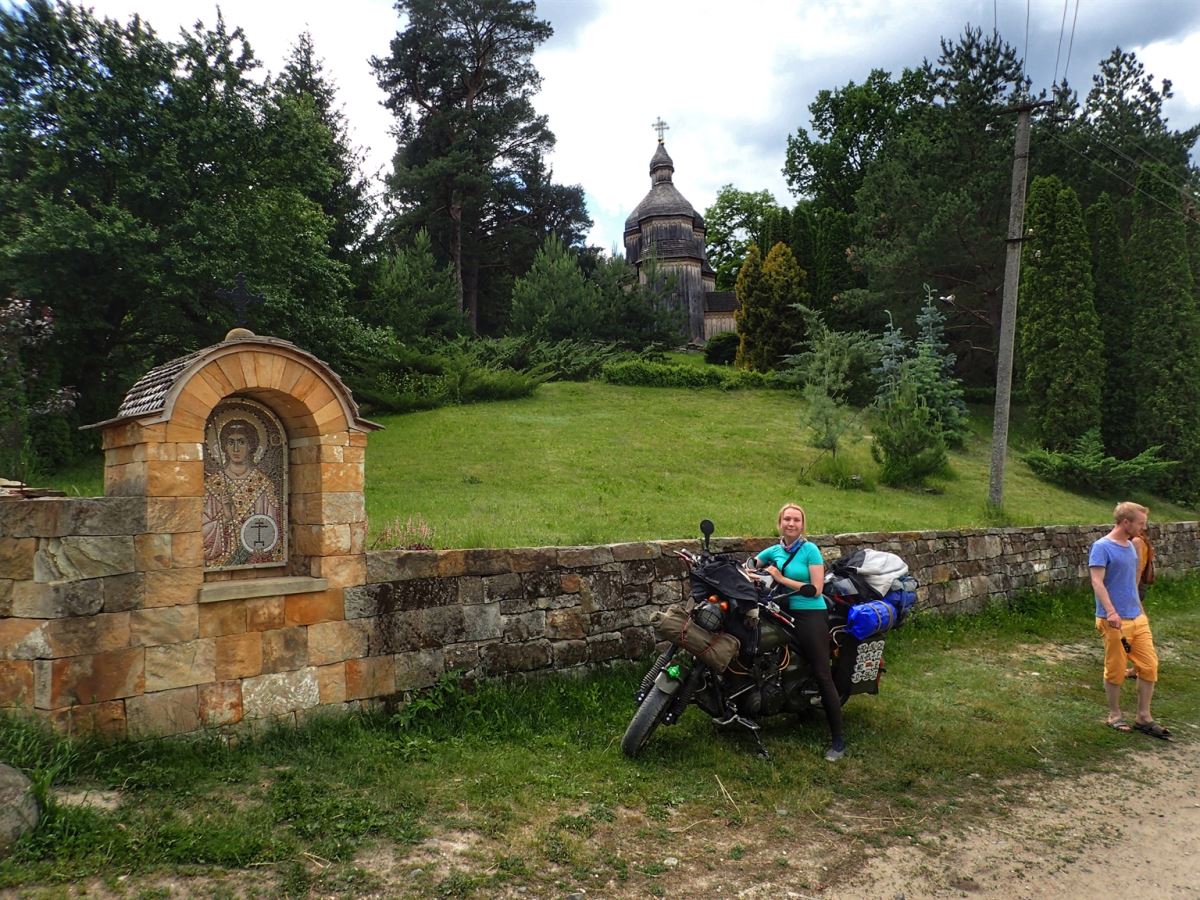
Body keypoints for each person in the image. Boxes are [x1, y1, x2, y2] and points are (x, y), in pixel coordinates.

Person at [755, 502, 845, 761]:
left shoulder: (810, 551)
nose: (791, 523)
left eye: (796, 520)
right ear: (779, 523)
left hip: (809, 612)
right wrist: (749, 570)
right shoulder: (775, 549)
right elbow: (753, 563)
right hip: (780, 610)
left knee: (821, 671)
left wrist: (781, 579)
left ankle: (838, 739)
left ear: (803, 525)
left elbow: (816, 588)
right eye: (787, 519)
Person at [1088, 501, 1171, 739]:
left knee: (1149, 666)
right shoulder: (1102, 547)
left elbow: (1131, 581)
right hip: (1116, 623)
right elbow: (1097, 582)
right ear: (1126, 522)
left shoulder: (1132, 546)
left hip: (1137, 619)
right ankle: (1114, 715)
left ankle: (1144, 717)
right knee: (1116, 669)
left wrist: (1140, 610)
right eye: (1140, 523)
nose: (1143, 528)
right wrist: (1111, 612)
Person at [202, 418, 280, 567]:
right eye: (231, 442)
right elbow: (200, 534)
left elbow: (272, 529)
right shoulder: (213, 484)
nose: (236, 449)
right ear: (224, 447)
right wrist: (225, 519)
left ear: (251, 445)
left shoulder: (263, 484)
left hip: (253, 559)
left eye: (241, 442)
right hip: (219, 562)